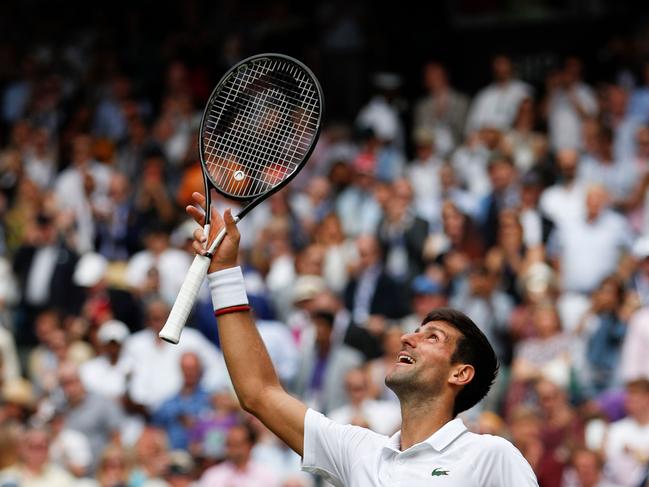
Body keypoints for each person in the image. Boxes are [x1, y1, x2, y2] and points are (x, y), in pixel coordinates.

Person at [184, 191, 538, 486]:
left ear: (459, 373)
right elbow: (258, 392)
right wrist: (225, 270)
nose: (407, 338)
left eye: (432, 337)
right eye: (415, 330)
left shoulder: (491, 456)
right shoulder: (359, 451)